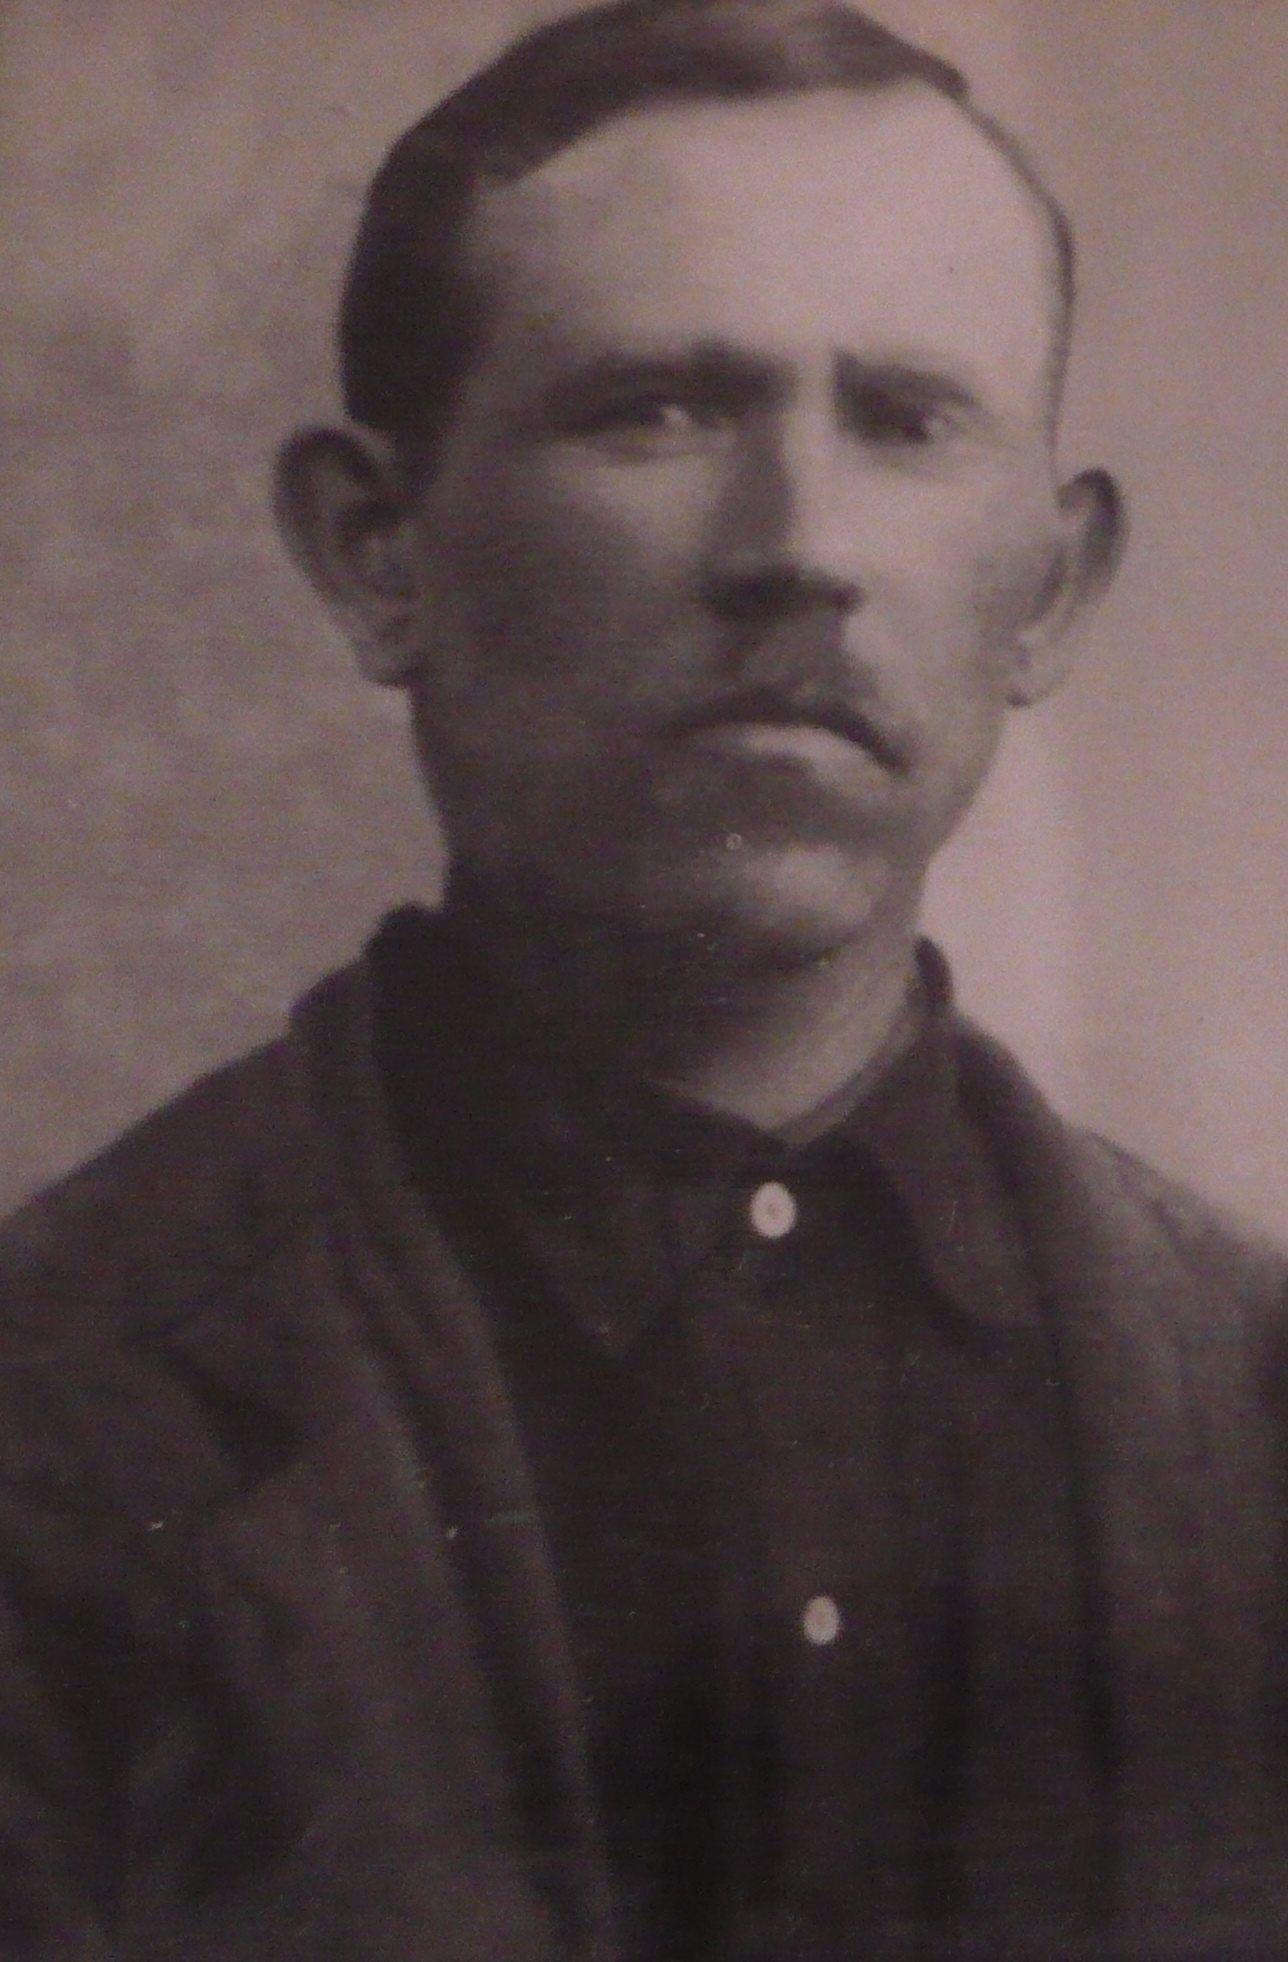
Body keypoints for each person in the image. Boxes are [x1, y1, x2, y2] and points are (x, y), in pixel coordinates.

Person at [1, 2, 1286, 1957]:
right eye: (657, 412)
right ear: (374, 553)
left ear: (1049, 586)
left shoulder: (1252, 1403)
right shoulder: (61, 1408)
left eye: (905, 418)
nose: (799, 548)